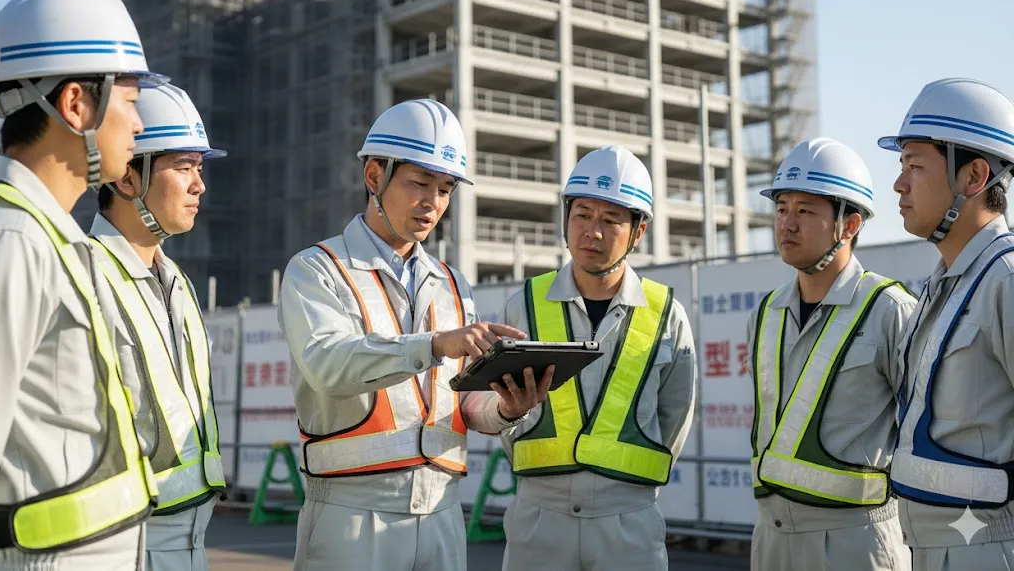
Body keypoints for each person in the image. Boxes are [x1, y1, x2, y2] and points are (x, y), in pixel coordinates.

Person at [278, 99, 553, 571]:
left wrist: (506, 409)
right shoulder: (317, 269)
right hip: (352, 513)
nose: (433, 202)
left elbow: (459, 403)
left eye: (445, 189)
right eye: (419, 183)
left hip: (444, 511)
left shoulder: (451, 282)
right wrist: (433, 344)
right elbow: (329, 365)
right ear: (374, 177)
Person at [0, 0, 165, 568]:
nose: (140, 126)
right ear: (75, 105)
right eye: (132, 101)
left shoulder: (56, 240)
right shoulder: (11, 242)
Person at [498, 144, 698, 571]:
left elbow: (676, 414)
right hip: (539, 515)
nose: (593, 231)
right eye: (582, 214)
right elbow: (505, 402)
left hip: (629, 518)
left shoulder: (666, 314)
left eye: (611, 220)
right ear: (566, 218)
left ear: (638, 232)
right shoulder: (524, 304)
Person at [747, 136, 916, 571]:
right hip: (771, 534)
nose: (787, 224)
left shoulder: (890, 310)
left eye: (805, 211)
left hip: (857, 540)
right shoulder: (766, 313)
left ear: (850, 225)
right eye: (782, 208)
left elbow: (921, 431)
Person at [89, 83, 228, 571]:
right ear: (128, 177)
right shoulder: (85, 275)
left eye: (201, 168)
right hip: (124, 539)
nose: (199, 185)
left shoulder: (178, 282)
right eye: (184, 166)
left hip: (191, 532)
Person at [879, 78, 1014, 571]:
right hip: (933, 548)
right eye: (902, 166)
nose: (899, 183)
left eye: (915, 166)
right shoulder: (945, 284)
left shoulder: (1005, 280)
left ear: (974, 176)